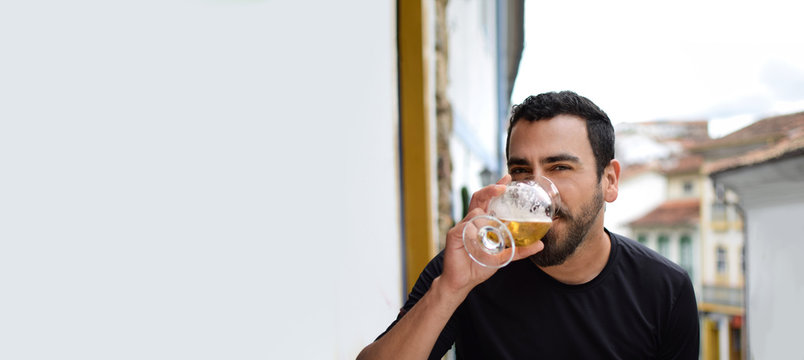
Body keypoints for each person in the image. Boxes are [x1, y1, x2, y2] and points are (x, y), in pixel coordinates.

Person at [357, 91, 700, 359]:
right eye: (521, 171)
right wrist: (449, 291)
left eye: (560, 167)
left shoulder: (664, 290)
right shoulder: (470, 269)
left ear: (609, 181)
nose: (536, 193)